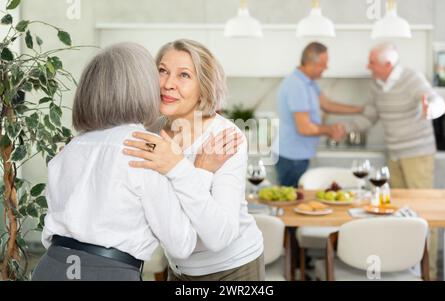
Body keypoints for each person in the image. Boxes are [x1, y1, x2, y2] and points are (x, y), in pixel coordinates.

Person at [31, 43, 239, 281]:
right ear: (143, 88)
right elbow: (182, 244)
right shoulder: (145, 147)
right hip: (109, 273)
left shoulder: (69, 149)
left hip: (50, 267)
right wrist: (200, 172)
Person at [122, 39, 265, 281]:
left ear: (204, 86)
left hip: (233, 269)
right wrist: (201, 171)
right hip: (179, 269)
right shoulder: (150, 132)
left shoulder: (224, 138)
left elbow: (220, 235)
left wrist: (181, 169)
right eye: (163, 71)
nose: (168, 84)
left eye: (184, 75)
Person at [347, 42, 445, 279]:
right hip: (394, 155)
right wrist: (344, 129)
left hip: (417, 155)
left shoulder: (411, 78)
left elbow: (436, 101)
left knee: (422, 213)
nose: (367, 66)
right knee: (397, 212)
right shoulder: (377, 84)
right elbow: (371, 115)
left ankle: (428, 272)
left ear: (388, 64)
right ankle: (405, 268)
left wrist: (431, 109)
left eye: (372, 62)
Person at [272, 42, 364, 187]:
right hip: (291, 158)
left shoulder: (309, 83)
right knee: (291, 203)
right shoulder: (297, 85)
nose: (326, 67)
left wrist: (360, 110)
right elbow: (305, 128)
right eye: (323, 63)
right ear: (310, 63)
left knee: (298, 200)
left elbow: (327, 105)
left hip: (298, 156)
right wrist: (330, 130)